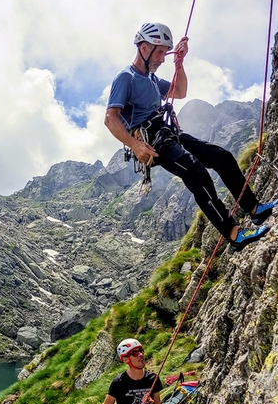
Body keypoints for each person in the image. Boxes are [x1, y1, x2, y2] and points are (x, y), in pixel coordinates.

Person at [104, 22, 278, 252]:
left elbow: (180, 92)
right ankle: (234, 234)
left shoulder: (153, 80)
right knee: (197, 173)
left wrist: (179, 64)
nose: (162, 59)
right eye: (159, 52)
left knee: (221, 156)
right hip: (152, 141)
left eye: (166, 53)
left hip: (168, 133)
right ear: (144, 47)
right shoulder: (126, 78)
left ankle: (254, 209)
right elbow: (110, 118)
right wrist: (135, 145)